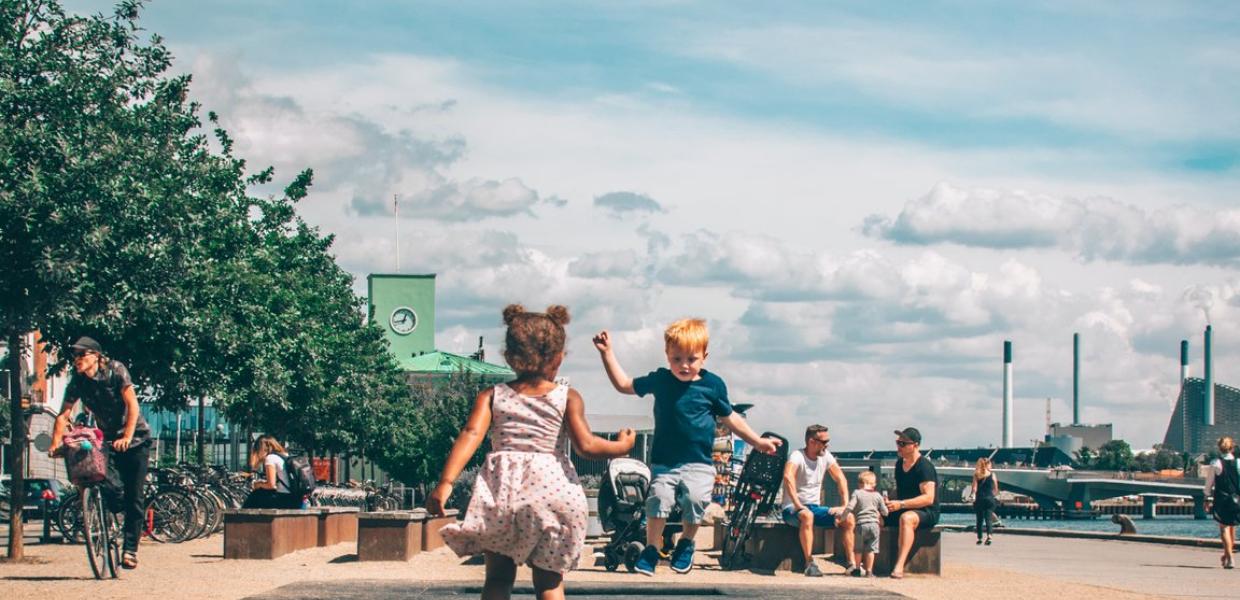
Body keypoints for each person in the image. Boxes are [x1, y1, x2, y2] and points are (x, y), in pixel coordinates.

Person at [428, 305, 636, 600]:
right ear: (558, 358)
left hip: (503, 495)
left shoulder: (492, 396)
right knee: (549, 584)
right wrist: (621, 447)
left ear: (510, 357)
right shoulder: (567, 397)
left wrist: (445, 483)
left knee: (498, 579)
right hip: (552, 494)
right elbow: (586, 446)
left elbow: (470, 435)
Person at [594, 319, 781, 576]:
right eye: (676, 359)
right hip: (665, 462)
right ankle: (651, 548)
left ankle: (686, 544)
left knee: (695, 499)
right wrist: (607, 353)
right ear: (667, 356)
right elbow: (624, 385)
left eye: (691, 359)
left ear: (704, 356)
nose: (684, 366)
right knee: (658, 500)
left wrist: (758, 441)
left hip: (699, 462)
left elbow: (731, 418)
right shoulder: (660, 379)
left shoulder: (712, 386)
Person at [48, 336, 152, 570]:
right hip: (106, 439)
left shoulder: (116, 370)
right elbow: (63, 414)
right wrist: (55, 444)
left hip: (136, 439)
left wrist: (127, 436)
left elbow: (132, 405)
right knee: (99, 476)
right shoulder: (78, 382)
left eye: (82, 355)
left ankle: (130, 550)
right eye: (75, 356)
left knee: (134, 497)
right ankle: (111, 508)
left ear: (96, 356)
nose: (77, 360)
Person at [780, 424, 856, 577]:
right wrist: (798, 505)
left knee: (848, 518)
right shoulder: (797, 456)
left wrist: (844, 505)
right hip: (792, 508)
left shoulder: (825, 456)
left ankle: (852, 564)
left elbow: (840, 478)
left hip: (814, 507)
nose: (827, 445)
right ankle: (809, 563)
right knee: (807, 515)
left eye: (828, 441)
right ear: (811, 441)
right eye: (824, 442)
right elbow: (788, 477)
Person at [883, 427, 939, 579]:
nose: (899, 447)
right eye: (898, 443)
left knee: (906, 518)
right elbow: (900, 490)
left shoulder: (924, 467)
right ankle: (869, 560)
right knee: (874, 516)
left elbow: (928, 498)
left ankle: (899, 565)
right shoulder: (899, 464)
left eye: (903, 444)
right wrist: (888, 501)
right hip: (904, 506)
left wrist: (901, 504)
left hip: (926, 511)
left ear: (915, 445)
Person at [843, 470, 888, 577]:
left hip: (860, 524)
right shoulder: (877, 495)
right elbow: (885, 512)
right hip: (874, 525)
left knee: (858, 549)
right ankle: (869, 571)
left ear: (859, 484)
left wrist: (842, 517)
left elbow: (850, 506)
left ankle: (857, 569)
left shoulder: (857, 493)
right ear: (874, 484)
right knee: (871, 549)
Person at [1205, 436, 1240, 569]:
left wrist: (1206, 498)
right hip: (1236, 499)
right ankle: (1227, 555)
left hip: (1221, 498)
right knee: (1232, 526)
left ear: (1219, 448)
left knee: (1224, 527)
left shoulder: (1215, 463)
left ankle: (1230, 558)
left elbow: (1209, 483)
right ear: (1232, 447)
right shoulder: (1238, 463)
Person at [243, 435, 301, 509]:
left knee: (255, 495)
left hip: (284, 499)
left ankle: (243, 519)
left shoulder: (270, 458)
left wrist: (258, 484)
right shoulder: (285, 455)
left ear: (262, 449)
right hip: (295, 498)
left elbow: (271, 485)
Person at [972, 457, 999, 546]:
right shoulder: (993, 474)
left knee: (979, 519)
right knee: (988, 519)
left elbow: (974, 488)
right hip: (989, 499)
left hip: (980, 499)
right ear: (988, 464)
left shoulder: (976, 475)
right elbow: (995, 489)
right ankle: (989, 536)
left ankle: (979, 538)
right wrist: (992, 496)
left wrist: (972, 495)